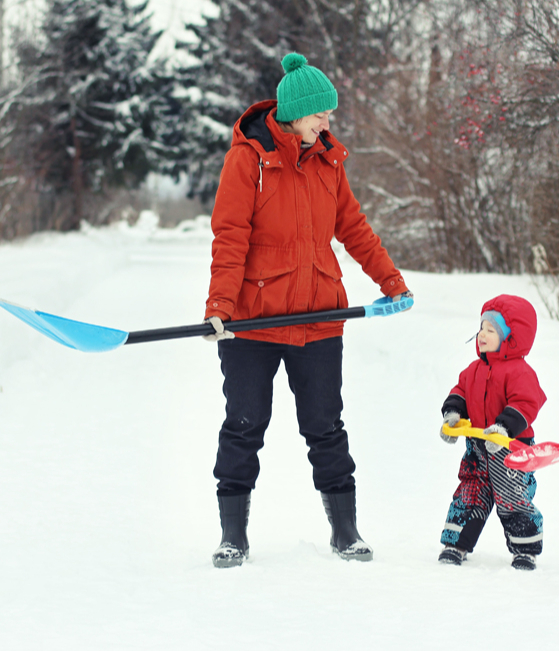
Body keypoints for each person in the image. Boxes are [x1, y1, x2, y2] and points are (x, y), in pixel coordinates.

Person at [202, 52, 412, 568]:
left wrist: (391, 280)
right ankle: (233, 537)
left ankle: (346, 532)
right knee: (244, 424)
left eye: (328, 115)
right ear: (295, 112)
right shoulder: (248, 159)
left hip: (319, 316)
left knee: (325, 425)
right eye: (320, 113)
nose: (327, 121)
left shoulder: (328, 162)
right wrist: (220, 307)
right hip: (254, 319)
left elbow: (354, 228)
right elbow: (230, 237)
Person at [437, 294, 546, 570]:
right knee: (471, 490)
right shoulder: (473, 370)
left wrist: (504, 428)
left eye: (491, 330)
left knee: (512, 495)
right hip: (478, 445)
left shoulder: (520, 372)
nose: (482, 334)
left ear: (510, 338)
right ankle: (456, 543)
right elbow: (460, 391)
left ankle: (525, 549)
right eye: (481, 327)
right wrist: (454, 415)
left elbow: (526, 403)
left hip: (509, 447)